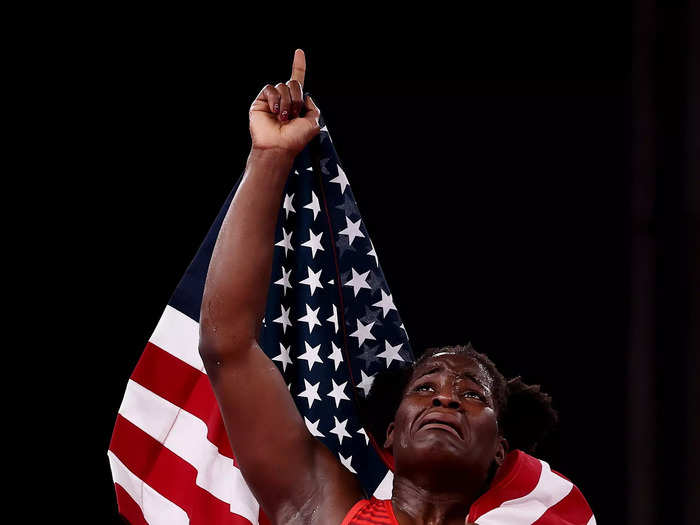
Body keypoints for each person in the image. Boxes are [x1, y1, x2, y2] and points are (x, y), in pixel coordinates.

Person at [198, 49, 593, 525]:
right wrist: (269, 155)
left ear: (500, 449)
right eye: (425, 387)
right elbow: (229, 348)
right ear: (389, 435)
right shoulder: (324, 507)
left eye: (472, 395)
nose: (445, 397)